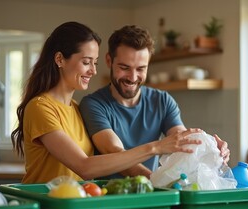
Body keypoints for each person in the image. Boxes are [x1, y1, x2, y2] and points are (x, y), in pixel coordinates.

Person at [11, 21, 202, 184]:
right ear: (60, 59)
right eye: (86, 62)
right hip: (46, 208)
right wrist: (156, 148)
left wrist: (208, 147)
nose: (93, 71)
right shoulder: (40, 108)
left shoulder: (76, 109)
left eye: (94, 63)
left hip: (73, 207)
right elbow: (84, 166)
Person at [79, 25, 230, 180]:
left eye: (140, 69)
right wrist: (156, 180)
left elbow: (180, 140)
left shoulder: (162, 101)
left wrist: (209, 146)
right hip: (108, 198)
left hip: (151, 196)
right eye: (124, 67)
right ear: (109, 60)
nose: (132, 77)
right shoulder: (93, 104)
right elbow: (116, 152)